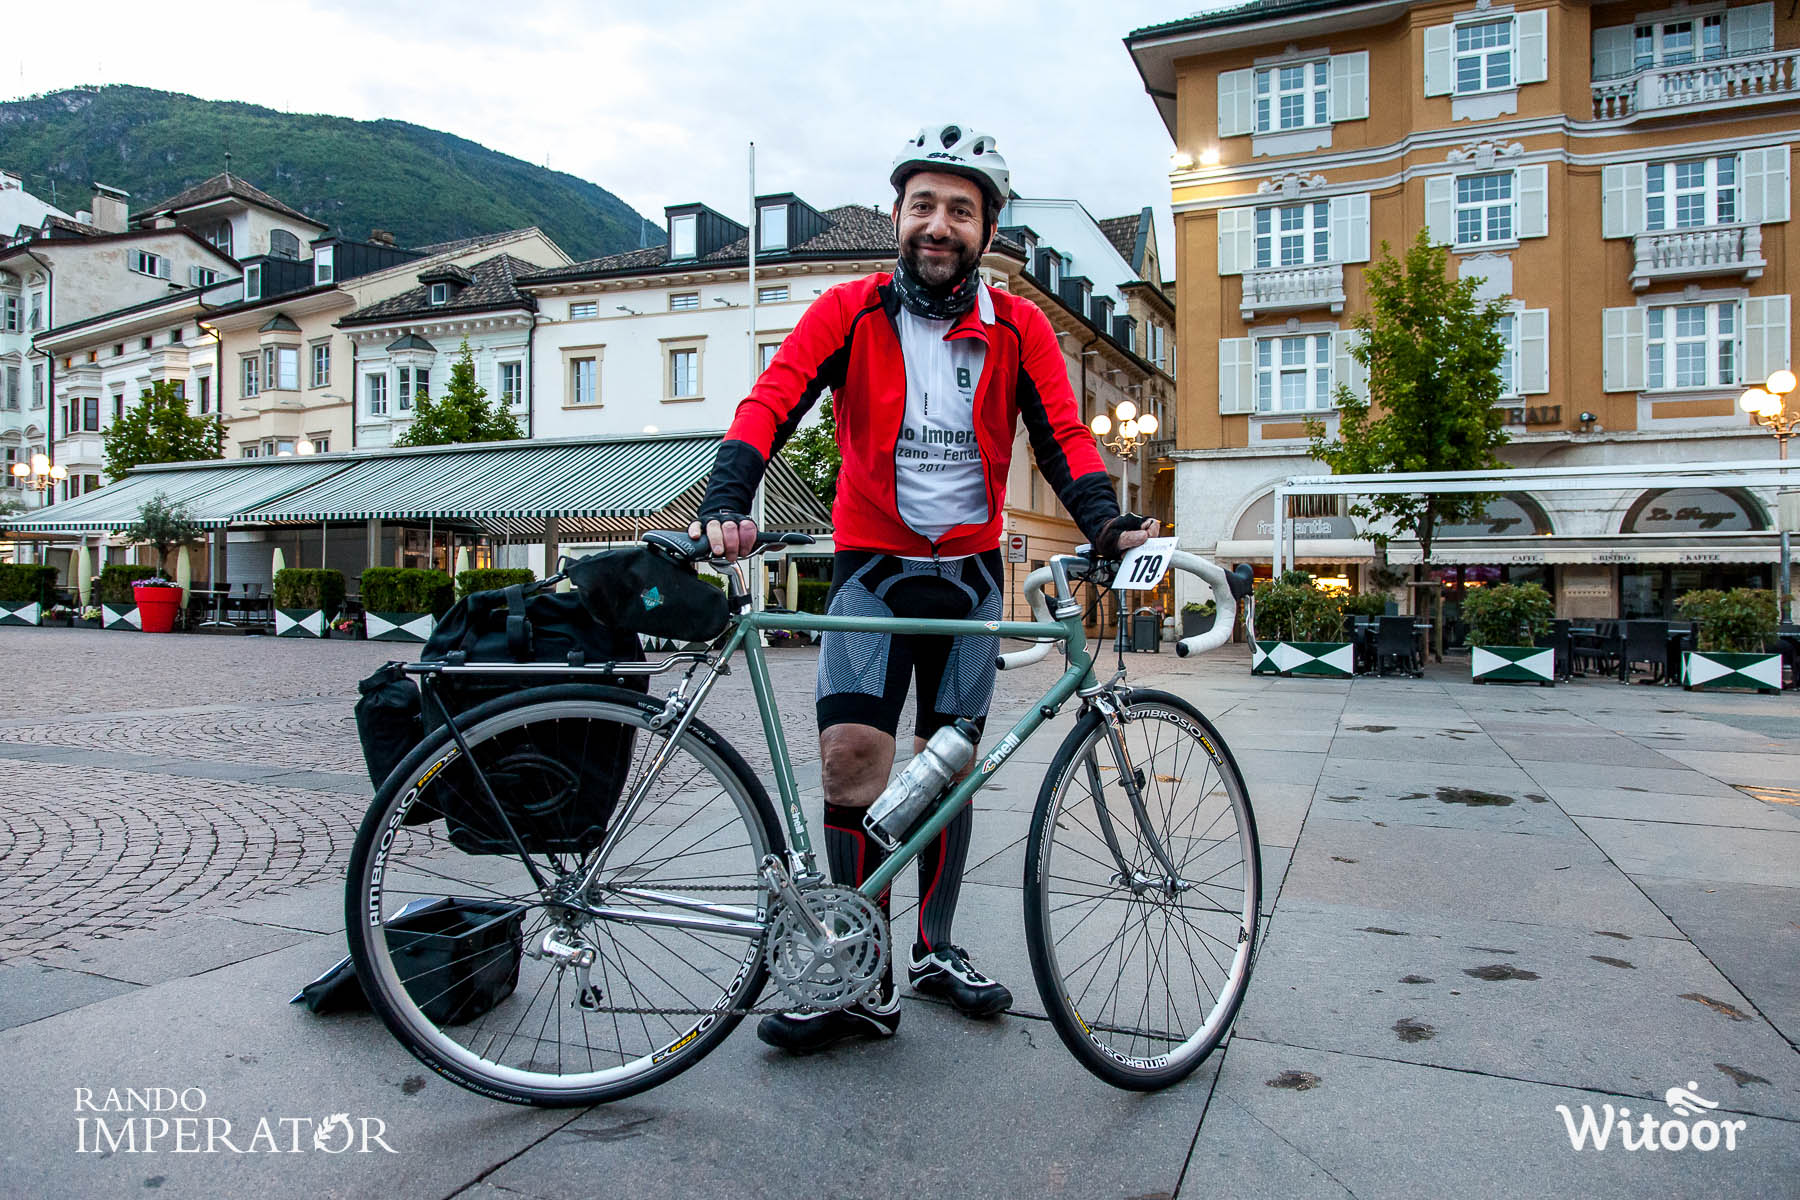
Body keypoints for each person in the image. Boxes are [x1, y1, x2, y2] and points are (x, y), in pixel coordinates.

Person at [692, 123, 1157, 1052]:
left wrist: (1106, 520)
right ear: (898, 215)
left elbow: (1063, 435)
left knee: (946, 769)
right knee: (851, 759)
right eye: (923, 206)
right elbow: (773, 397)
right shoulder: (849, 310)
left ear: (986, 230)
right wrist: (728, 495)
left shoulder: (1019, 326)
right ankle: (858, 976)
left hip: (971, 580)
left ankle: (936, 948)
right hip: (871, 570)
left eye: (961, 211)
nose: (939, 225)